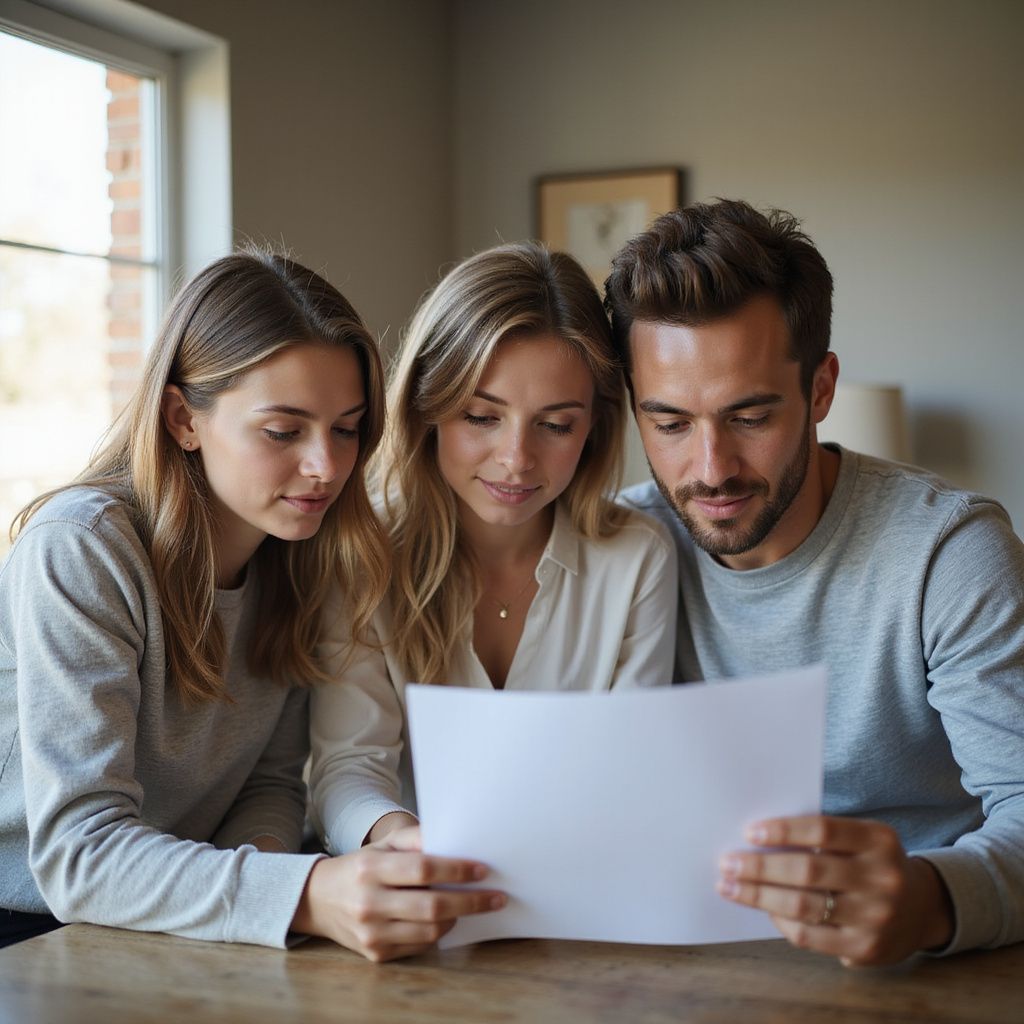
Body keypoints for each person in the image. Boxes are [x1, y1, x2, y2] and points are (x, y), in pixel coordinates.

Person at [0, 250, 503, 958]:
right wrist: (304, 894)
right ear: (183, 418)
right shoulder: (81, 550)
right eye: (282, 431)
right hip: (28, 926)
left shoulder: (304, 555)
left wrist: (278, 884)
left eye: (347, 427)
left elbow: (268, 784)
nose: (327, 467)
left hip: (179, 920)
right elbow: (78, 856)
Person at [608, 199, 1024, 966]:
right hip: (699, 966)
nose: (711, 470)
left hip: (932, 967)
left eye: (751, 417)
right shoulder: (620, 550)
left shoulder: (950, 552)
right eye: (669, 425)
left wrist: (928, 901)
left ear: (821, 390)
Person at [308, 242, 677, 853]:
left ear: (593, 428)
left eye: (555, 425)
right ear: (428, 407)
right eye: (482, 417)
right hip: (415, 896)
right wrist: (397, 840)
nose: (516, 460)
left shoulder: (637, 558)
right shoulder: (363, 553)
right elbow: (349, 768)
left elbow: (627, 772)